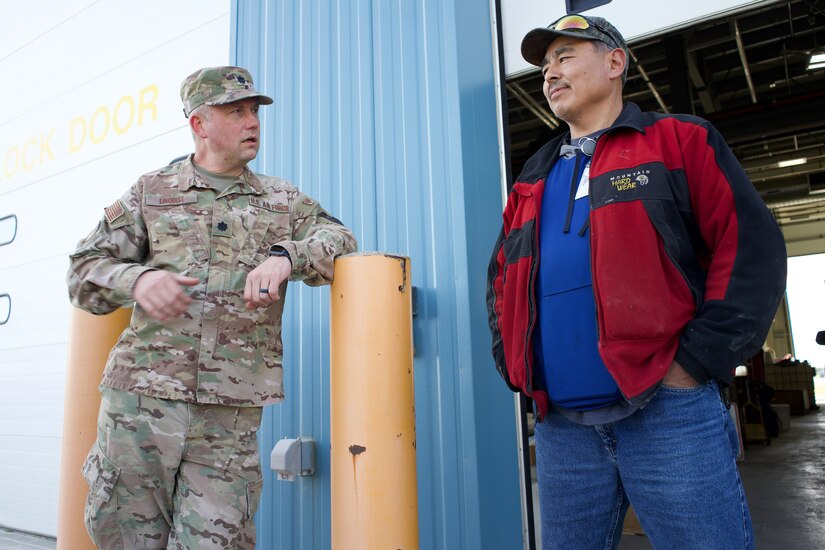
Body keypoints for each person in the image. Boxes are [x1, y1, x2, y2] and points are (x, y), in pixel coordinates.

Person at [486, 14, 786, 549]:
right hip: (562, 428)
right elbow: (501, 281)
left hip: (666, 411)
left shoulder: (678, 141)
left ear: (615, 62)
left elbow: (750, 252)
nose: (550, 74)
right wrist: (516, 367)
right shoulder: (533, 175)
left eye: (565, 56)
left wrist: (694, 364)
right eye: (545, 65)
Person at [68, 66, 357, 549]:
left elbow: (339, 238)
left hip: (229, 417)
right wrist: (137, 278)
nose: (252, 122)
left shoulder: (280, 200)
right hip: (141, 405)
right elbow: (83, 270)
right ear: (200, 124)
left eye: (254, 111)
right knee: (125, 537)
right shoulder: (152, 192)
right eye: (236, 111)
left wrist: (287, 256)